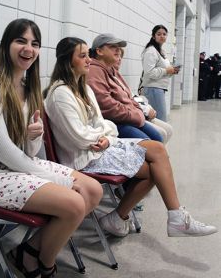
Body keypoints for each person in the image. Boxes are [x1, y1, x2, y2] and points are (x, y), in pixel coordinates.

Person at [0, 19, 102, 278]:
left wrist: (32, 137)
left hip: (14, 166)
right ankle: (45, 264)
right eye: (21, 41)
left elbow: (26, 151)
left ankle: (27, 251)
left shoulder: (27, 87)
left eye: (35, 43)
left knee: (93, 191)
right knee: (74, 203)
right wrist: (55, 179)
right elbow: (2, 150)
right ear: (6, 45)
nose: (28, 48)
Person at [44, 37, 217, 238]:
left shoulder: (83, 88)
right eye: (82, 56)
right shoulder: (60, 93)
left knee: (156, 155)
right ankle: (133, 217)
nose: (88, 60)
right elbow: (80, 136)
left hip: (99, 147)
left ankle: (164, 217)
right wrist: (105, 135)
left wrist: (106, 136)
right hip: (83, 158)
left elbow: (102, 123)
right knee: (155, 164)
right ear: (67, 61)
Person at [87, 34, 163, 143]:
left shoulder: (112, 71)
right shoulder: (94, 71)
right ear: (99, 51)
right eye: (113, 47)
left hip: (127, 118)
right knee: (152, 146)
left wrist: (139, 111)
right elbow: (106, 106)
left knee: (158, 138)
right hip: (113, 123)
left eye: (119, 47)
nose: (118, 50)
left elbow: (129, 97)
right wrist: (135, 115)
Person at [115, 47, 172, 145]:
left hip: (138, 110)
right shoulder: (150, 51)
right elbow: (150, 73)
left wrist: (147, 108)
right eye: (116, 55)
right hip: (130, 116)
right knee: (160, 134)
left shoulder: (117, 76)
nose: (119, 59)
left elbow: (131, 97)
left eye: (120, 56)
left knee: (168, 129)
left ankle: (160, 155)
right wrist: (144, 112)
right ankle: (158, 156)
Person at [141, 25, 180, 122]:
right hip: (152, 89)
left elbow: (162, 70)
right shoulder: (151, 51)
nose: (162, 36)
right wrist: (167, 70)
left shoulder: (161, 51)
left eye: (164, 34)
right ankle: (157, 137)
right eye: (159, 34)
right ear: (153, 36)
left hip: (158, 89)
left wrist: (171, 71)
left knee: (159, 120)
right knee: (160, 120)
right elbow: (149, 72)